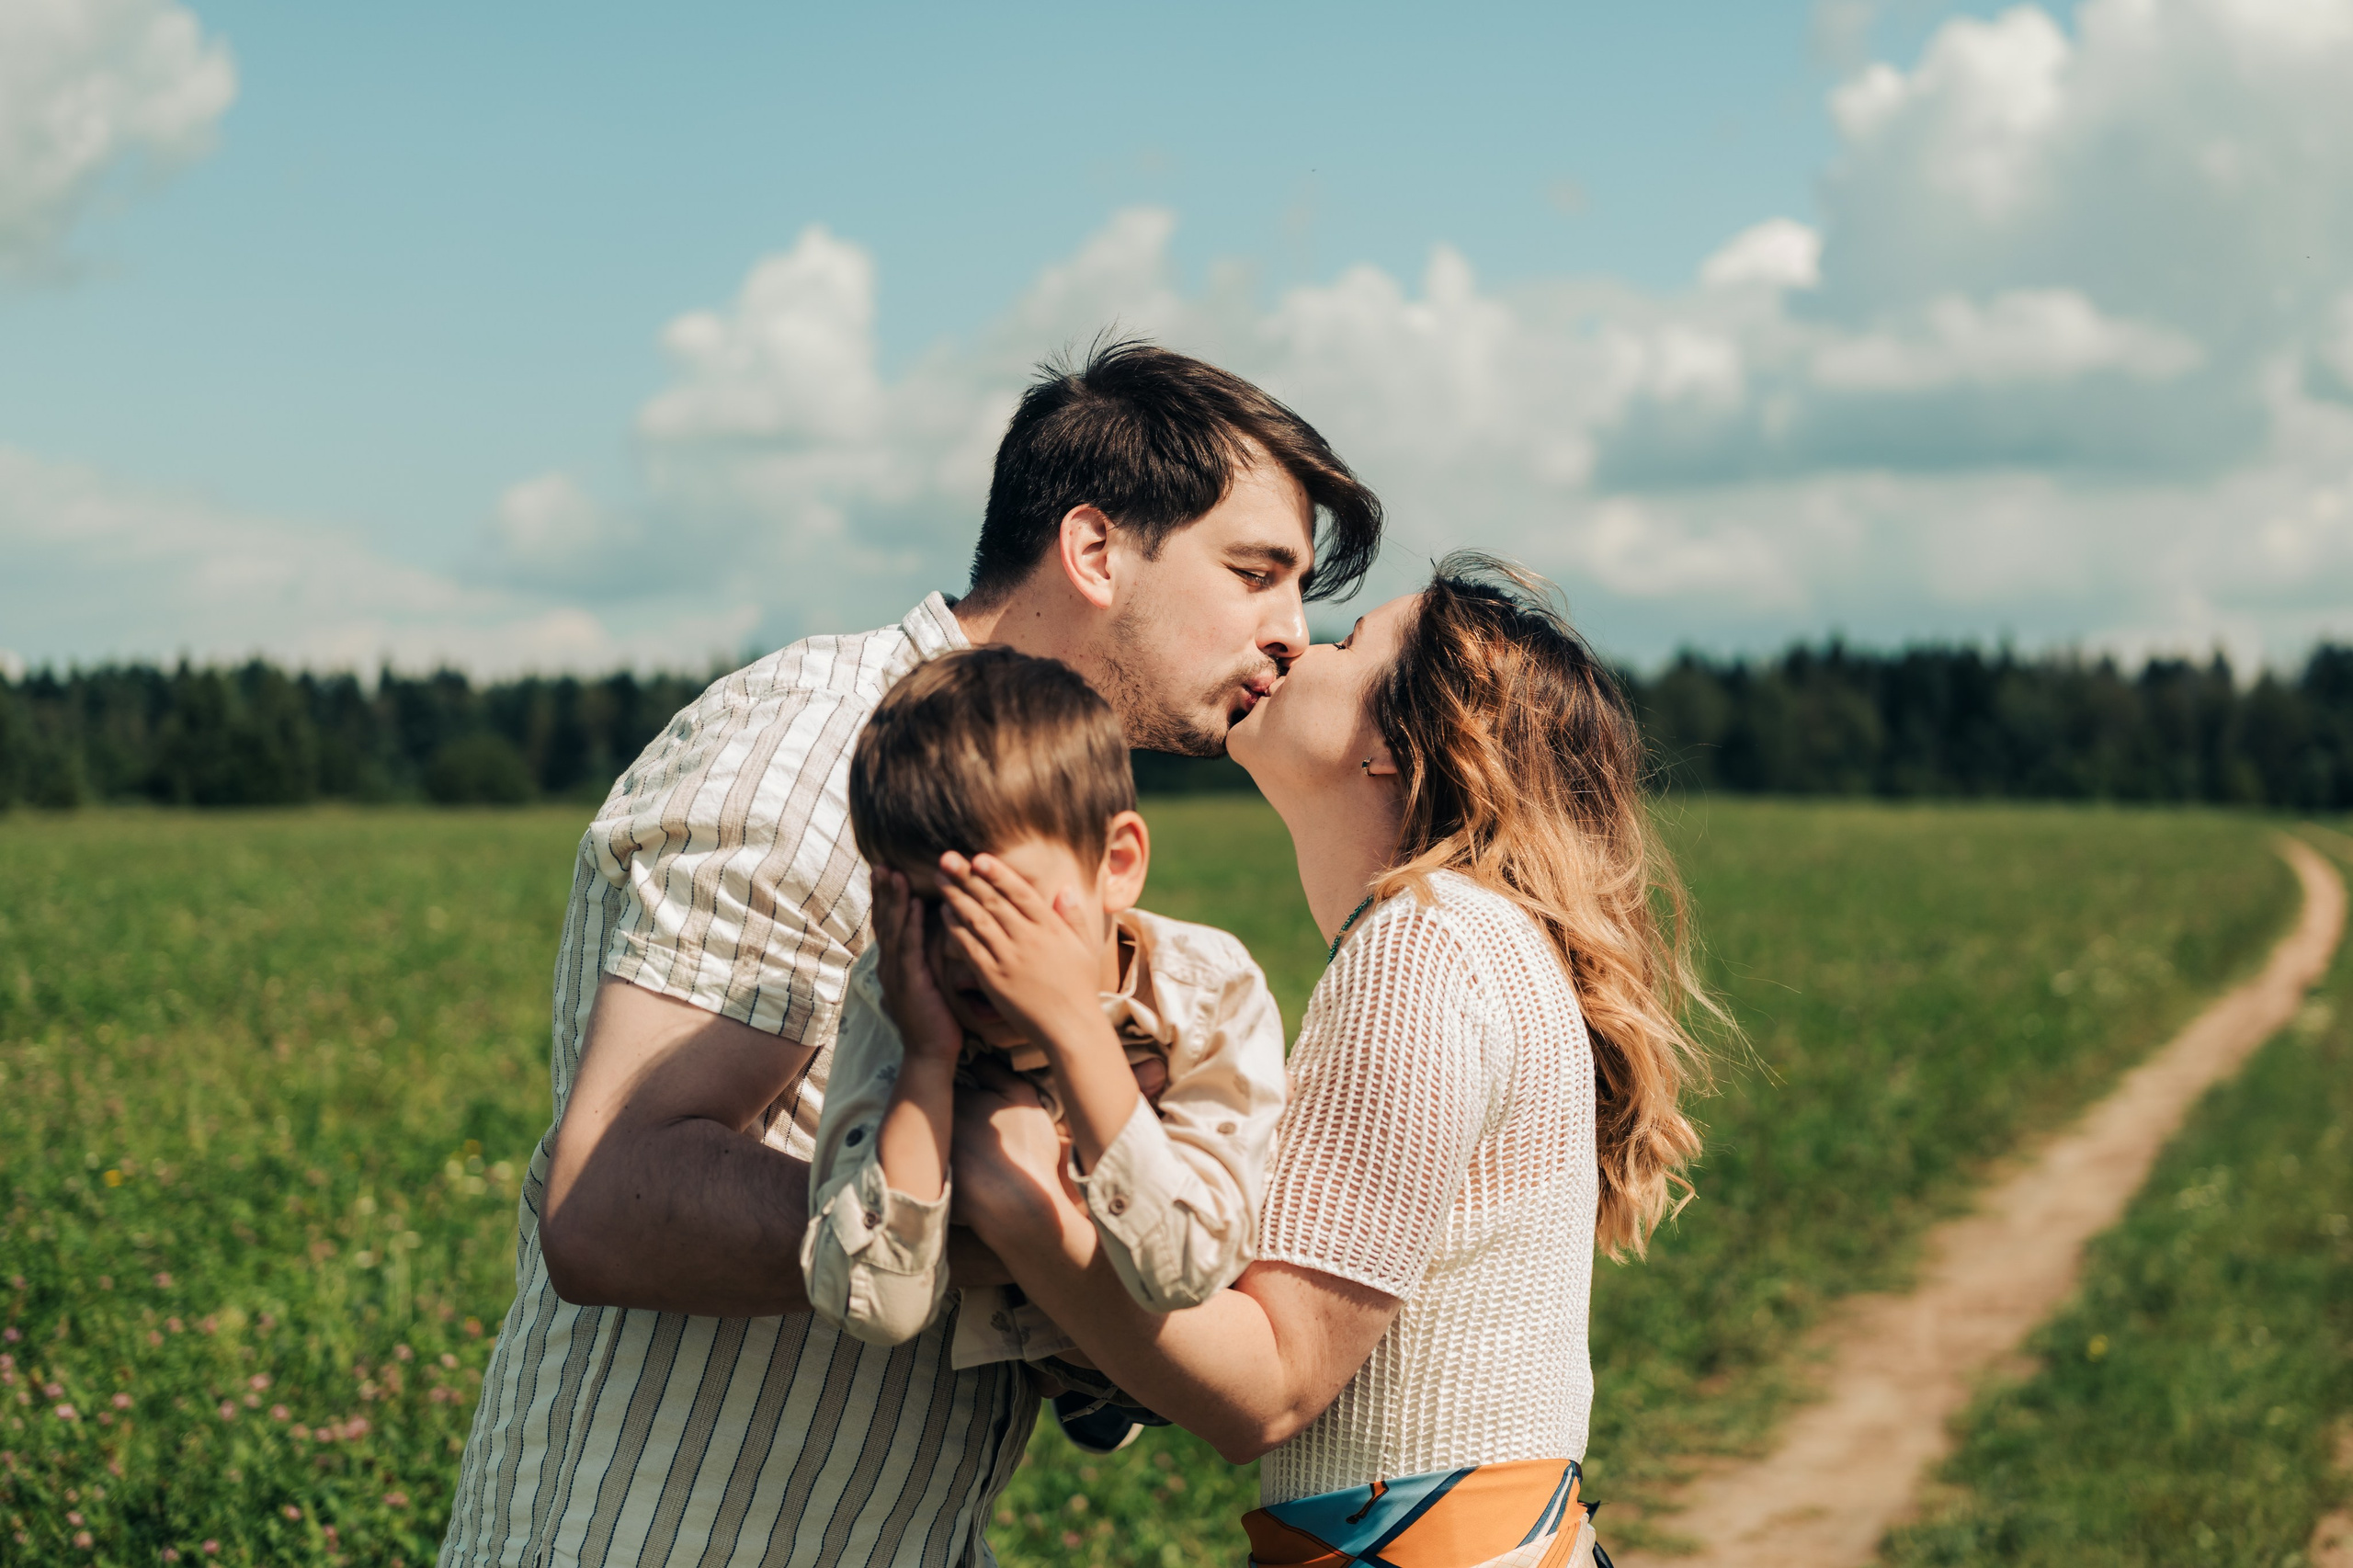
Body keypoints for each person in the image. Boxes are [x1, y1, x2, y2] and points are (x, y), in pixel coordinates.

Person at [435, 341, 1381, 1568]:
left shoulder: (1037, 798)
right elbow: (608, 1203)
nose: (1290, 637)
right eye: (1255, 573)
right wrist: (1007, 1212)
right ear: (1094, 551)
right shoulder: (808, 753)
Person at [938, 554, 1715, 1568]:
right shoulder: (1482, 941)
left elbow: (1274, 1382)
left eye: (1348, 644)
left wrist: (1018, 1197)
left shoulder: (1424, 946)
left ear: (1393, 746)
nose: (1299, 642)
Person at [800, 645, 1287, 1454]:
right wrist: (924, 1058)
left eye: (1004, 904)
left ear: (1118, 865)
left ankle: (1100, 1391)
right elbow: (871, 1305)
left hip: (1182, 1351)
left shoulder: (1204, 987)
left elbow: (1188, 1270)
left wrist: (1073, 1030)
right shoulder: (898, 990)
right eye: (927, 908)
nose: (967, 948)